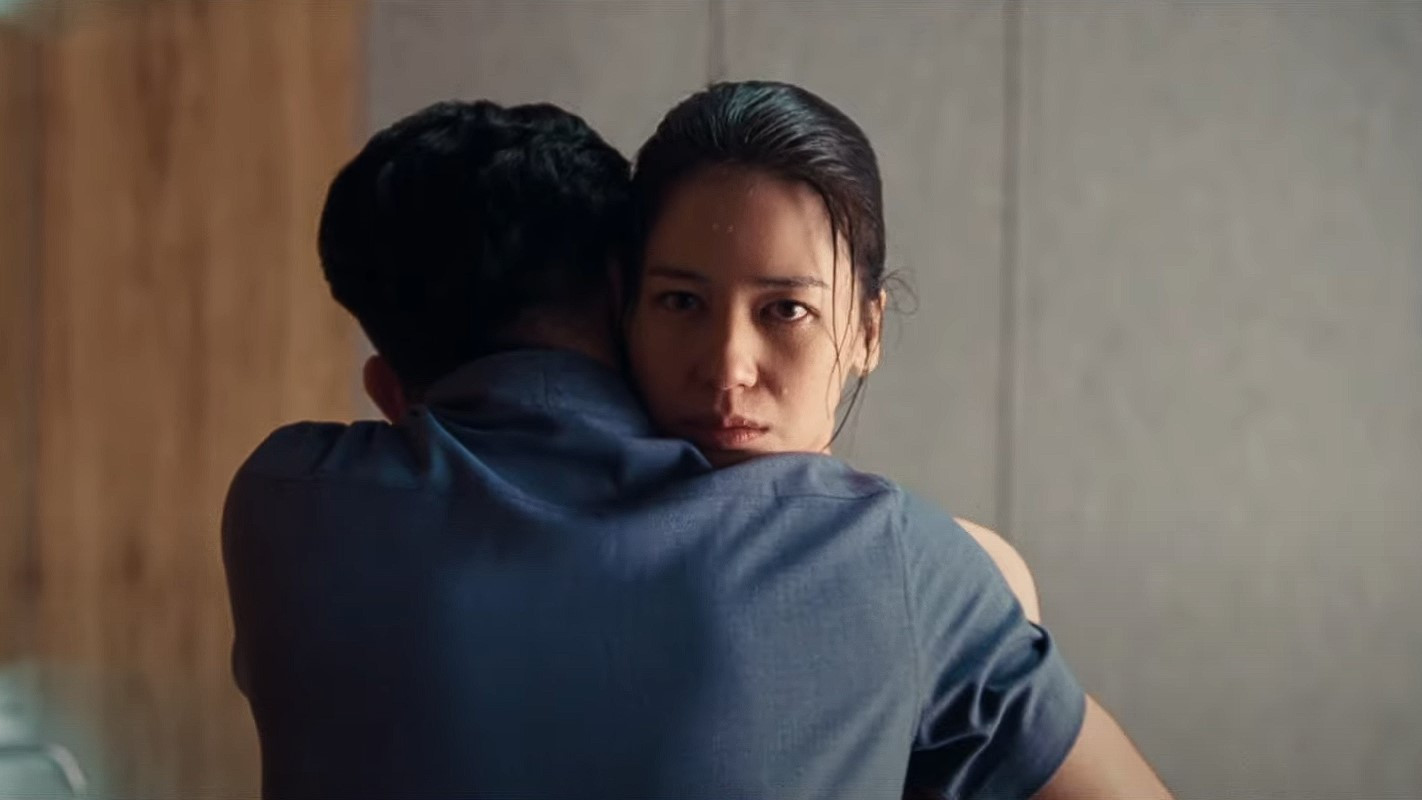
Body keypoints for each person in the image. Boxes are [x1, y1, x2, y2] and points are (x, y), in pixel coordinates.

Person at [222, 96, 1169, 800]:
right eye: (682, 301)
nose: (726, 370)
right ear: (621, 298)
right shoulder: (913, 568)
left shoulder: (285, 507)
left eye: (785, 310)